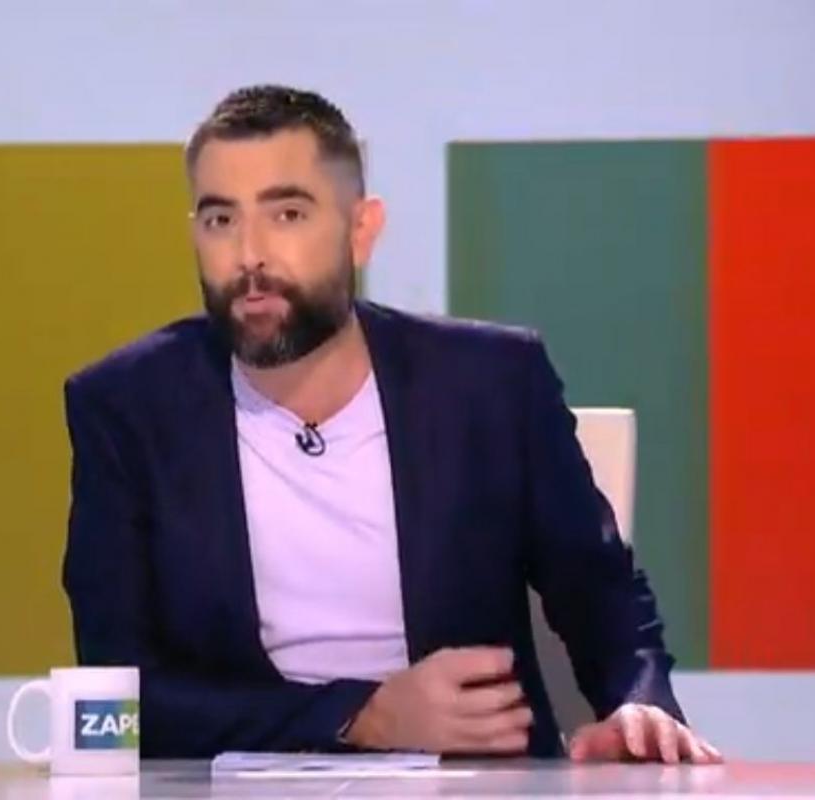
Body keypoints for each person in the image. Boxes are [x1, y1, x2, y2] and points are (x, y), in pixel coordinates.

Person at [62, 84, 721, 764]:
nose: (249, 255)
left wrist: (637, 704)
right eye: (220, 219)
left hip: (475, 780)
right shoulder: (126, 409)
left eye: (287, 213)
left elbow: (601, 595)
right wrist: (364, 716)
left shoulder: (491, 384)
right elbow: (117, 695)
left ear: (361, 230)